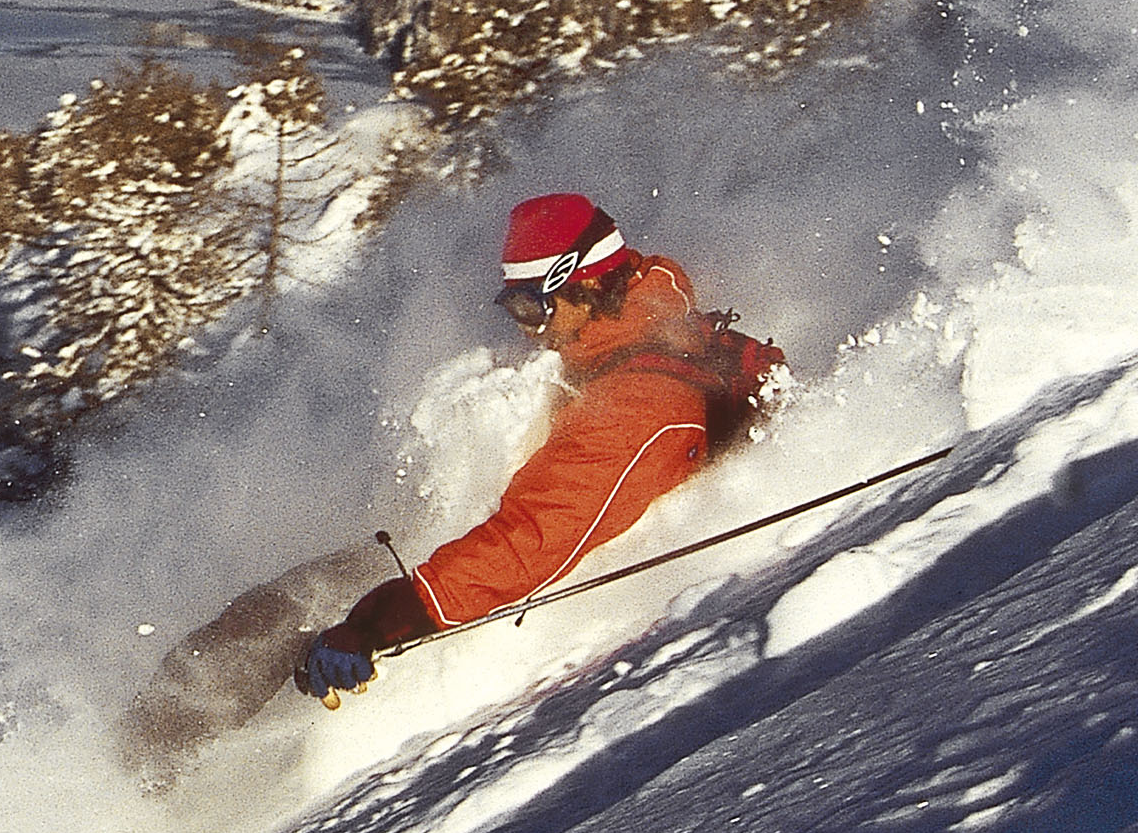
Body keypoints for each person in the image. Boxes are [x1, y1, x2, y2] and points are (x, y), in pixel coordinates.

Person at [117, 192, 781, 782]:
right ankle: (135, 760)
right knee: (274, 609)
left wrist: (373, 624)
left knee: (290, 620)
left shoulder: (640, 406)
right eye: (512, 305)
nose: (524, 326)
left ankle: (143, 781)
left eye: (530, 305)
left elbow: (526, 545)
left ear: (580, 283)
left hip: (503, 587)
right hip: (476, 543)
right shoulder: (638, 313)